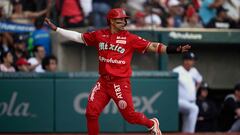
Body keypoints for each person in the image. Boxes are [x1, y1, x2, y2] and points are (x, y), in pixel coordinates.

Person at [45, 8, 191, 135]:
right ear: (111, 21)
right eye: (120, 19)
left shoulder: (129, 38)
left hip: (119, 82)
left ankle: (151, 124)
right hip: (103, 81)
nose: (123, 22)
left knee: (130, 117)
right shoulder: (99, 35)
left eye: (124, 19)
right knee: (91, 113)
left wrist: (175, 50)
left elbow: (152, 46)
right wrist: (57, 29)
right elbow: (78, 37)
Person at [173, 52, 203, 133]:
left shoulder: (194, 71)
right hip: (180, 101)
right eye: (190, 60)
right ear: (185, 61)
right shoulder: (177, 71)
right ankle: (191, 133)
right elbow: (170, 84)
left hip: (192, 101)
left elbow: (200, 80)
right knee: (195, 109)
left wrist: (195, 90)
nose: (191, 62)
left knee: (186, 126)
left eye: (193, 60)